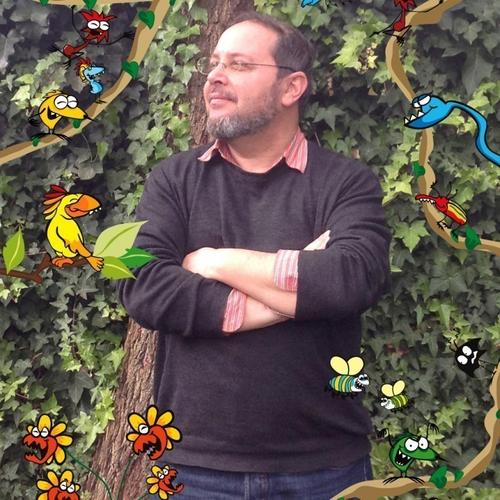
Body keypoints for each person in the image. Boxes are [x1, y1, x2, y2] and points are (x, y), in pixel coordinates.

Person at [117, 10, 391, 499]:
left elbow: (352, 277)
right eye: (215, 63)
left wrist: (213, 261)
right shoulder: (174, 180)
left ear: (291, 87)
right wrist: (286, 298)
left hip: (324, 466)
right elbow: (143, 286)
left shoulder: (345, 183)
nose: (215, 77)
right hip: (195, 466)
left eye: (239, 65)